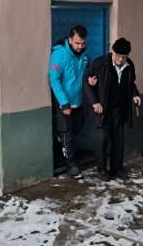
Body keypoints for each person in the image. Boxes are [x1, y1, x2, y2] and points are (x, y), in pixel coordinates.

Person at [83, 38, 141, 181]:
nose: (120, 59)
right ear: (112, 51)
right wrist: (94, 102)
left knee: (118, 141)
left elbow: (131, 83)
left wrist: (135, 94)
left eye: (124, 57)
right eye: (118, 56)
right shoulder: (100, 64)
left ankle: (117, 168)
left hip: (119, 110)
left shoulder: (130, 65)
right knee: (101, 141)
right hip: (102, 111)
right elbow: (86, 82)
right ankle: (102, 170)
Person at [50, 25, 90, 179]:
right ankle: (71, 165)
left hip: (78, 101)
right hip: (63, 103)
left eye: (83, 43)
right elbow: (54, 80)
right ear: (70, 40)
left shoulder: (84, 55)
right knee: (67, 134)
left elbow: (85, 74)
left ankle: (62, 143)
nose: (80, 46)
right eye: (77, 43)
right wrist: (64, 103)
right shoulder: (60, 54)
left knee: (77, 127)